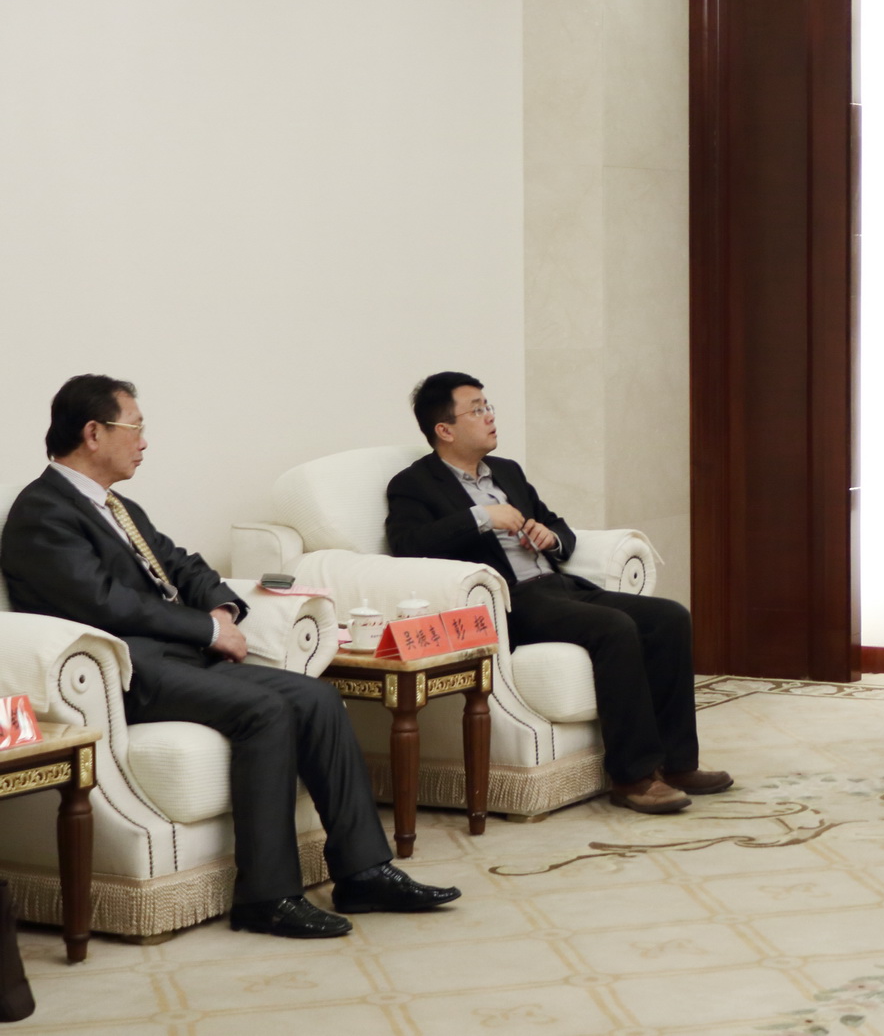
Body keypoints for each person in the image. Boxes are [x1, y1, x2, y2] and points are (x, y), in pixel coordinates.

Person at [0, 376, 459, 939]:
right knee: (265, 711)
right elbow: (102, 602)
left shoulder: (117, 507)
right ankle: (267, 897)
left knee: (317, 698)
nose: (144, 441)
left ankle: (363, 872)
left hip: (178, 661)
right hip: (127, 675)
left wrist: (221, 608)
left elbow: (183, 564)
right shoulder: (42, 512)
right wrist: (206, 630)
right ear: (93, 433)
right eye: (135, 427)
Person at [385, 373, 726, 815]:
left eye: (489, 406)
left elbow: (556, 523)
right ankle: (633, 777)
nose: (490, 416)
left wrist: (552, 538)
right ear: (444, 430)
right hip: (512, 602)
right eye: (477, 409)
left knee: (669, 617)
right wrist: (481, 517)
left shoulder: (507, 471)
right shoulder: (413, 484)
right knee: (615, 627)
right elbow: (408, 545)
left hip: (558, 586)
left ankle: (678, 765)